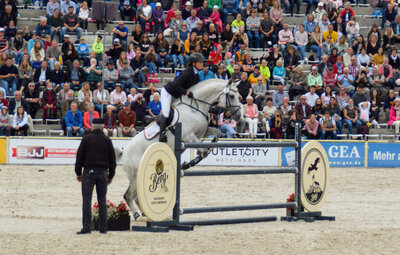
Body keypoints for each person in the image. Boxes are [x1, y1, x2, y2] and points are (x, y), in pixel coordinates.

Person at [75, 118, 116, 235]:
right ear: (103, 127)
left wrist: (78, 172)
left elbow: (79, 156)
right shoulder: (107, 140)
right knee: (102, 200)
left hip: (88, 172)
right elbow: (112, 160)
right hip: (103, 172)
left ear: (92, 127)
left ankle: (87, 227)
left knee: (87, 200)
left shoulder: (86, 139)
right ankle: (103, 228)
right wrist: (111, 175)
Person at [159, 53, 204, 142]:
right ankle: (161, 134)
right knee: (167, 112)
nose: (202, 64)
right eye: (200, 62)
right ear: (194, 63)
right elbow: (176, 85)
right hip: (168, 92)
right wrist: (186, 92)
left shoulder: (196, 75)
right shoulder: (187, 73)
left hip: (177, 94)